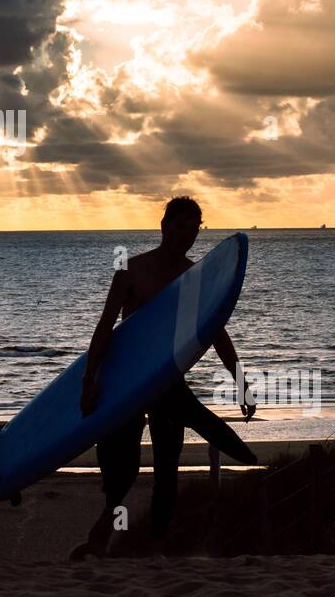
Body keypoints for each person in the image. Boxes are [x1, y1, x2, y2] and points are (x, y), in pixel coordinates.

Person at [71, 196, 258, 559]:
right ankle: (100, 538)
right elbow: (106, 327)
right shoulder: (131, 270)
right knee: (121, 468)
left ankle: (155, 548)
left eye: (192, 228)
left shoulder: (194, 280)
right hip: (127, 382)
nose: (185, 234)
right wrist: (89, 379)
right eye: (179, 225)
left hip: (168, 382)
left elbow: (217, 333)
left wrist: (240, 383)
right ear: (164, 226)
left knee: (167, 471)